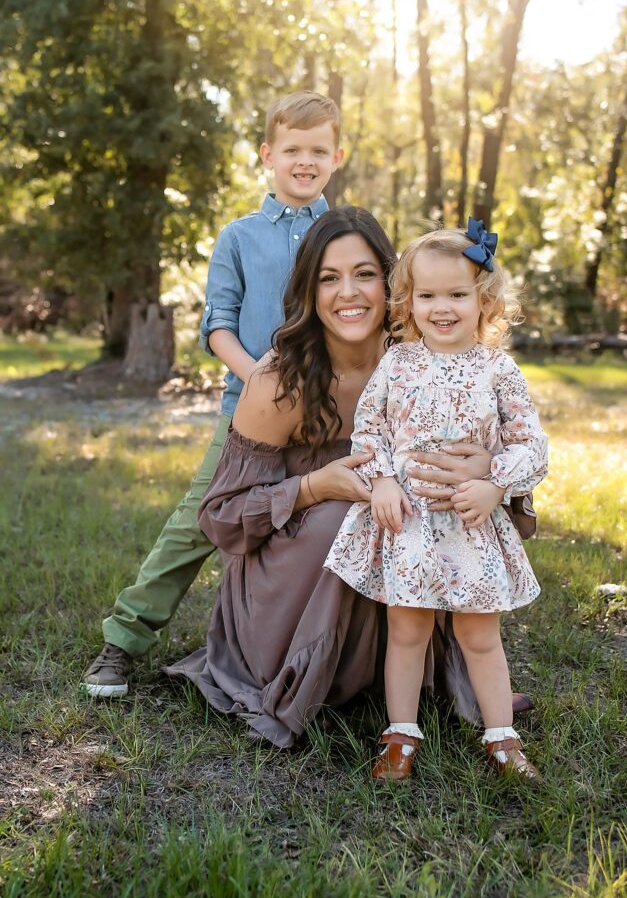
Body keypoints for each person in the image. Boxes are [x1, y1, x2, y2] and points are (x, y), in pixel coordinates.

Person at [166, 209, 530, 748]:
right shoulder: (278, 381)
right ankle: (322, 672)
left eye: (364, 274)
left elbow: (515, 452)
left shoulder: (422, 361)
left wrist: (483, 466)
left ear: (393, 285)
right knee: (349, 516)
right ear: (309, 291)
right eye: (328, 278)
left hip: (411, 546)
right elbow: (220, 520)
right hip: (288, 583)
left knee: (423, 511)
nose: (348, 293)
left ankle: (413, 676)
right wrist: (316, 486)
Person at [81, 90, 344, 696]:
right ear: (267, 154)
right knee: (198, 521)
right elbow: (217, 324)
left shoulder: (342, 233)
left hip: (330, 415)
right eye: (293, 149)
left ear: (337, 156)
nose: (305, 161)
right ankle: (123, 639)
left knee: (326, 525)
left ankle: (319, 654)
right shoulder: (239, 236)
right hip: (248, 415)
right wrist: (259, 381)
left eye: (318, 150)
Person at [324, 222, 548, 780]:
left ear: (484, 300)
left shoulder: (497, 369)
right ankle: (401, 734)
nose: (441, 308)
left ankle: (502, 738)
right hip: (411, 525)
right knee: (407, 631)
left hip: (471, 522)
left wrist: (496, 481)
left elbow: (532, 445)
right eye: (427, 295)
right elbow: (369, 432)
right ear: (408, 301)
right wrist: (381, 482)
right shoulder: (397, 363)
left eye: (456, 294)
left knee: (478, 633)